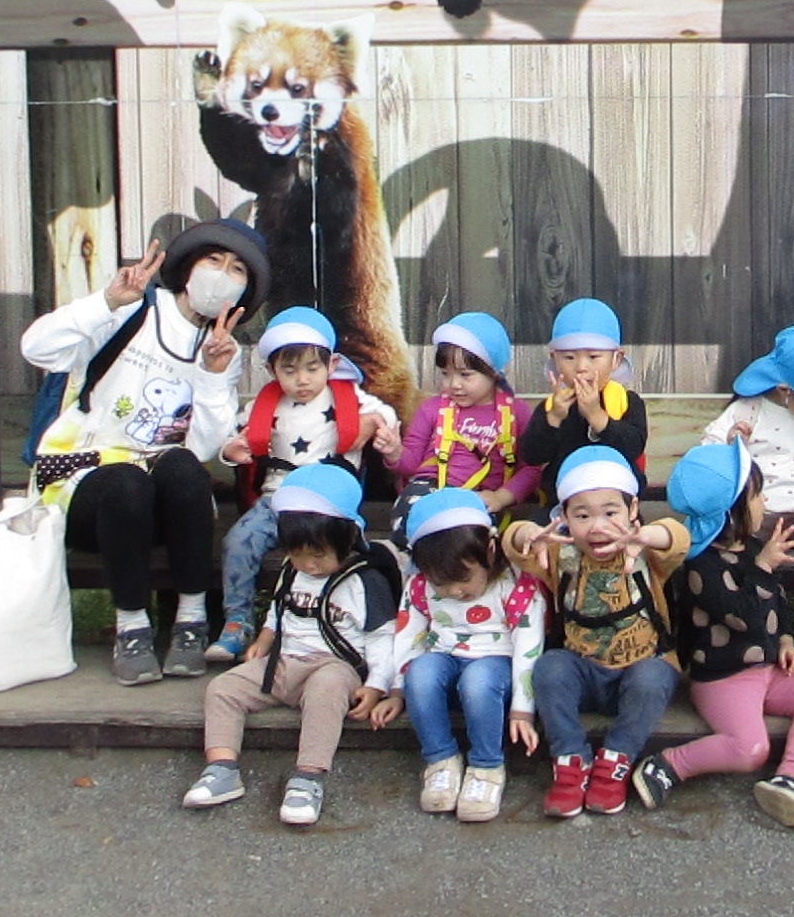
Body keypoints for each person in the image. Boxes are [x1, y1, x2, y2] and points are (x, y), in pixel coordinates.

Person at [20, 219, 265, 685]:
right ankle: (130, 627)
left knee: (181, 467)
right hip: (87, 489)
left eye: (236, 270)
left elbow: (203, 447)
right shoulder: (132, 310)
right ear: (188, 265)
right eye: (213, 260)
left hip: (163, 505)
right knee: (125, 482)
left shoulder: (221, 349)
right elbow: (37, 348)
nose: (220, 274)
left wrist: (214, 374)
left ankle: (191, 621)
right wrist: (106, 302)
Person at [627, 440, 794, 829]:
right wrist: (761, 568)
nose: (764, 502)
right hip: (724, 678)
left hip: (767, 670)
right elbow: (745, 617)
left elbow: (775, 605)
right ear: (732, 510)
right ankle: (668, 765)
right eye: (756, 496)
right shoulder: (698, 565)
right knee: (749, 749)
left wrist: (786, 640)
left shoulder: (751, 546)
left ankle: (790, 779)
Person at [182, 464, 397, 827]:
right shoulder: (292, 571)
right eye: (299, 555)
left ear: (346, 539)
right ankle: (222, 768)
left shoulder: (364, 581)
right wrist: (265, 640)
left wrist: (376, 686)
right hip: (283, 663)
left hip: (333, 667)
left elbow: (382, 638)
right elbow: (280, 611)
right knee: (222, 688)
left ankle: (308, 777)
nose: (309, 565)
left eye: (319, 555)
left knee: (327, 692)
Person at [209, 308, 402, 664]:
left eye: (313, 368)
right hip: (277, 502)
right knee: (237, 541)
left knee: (353, 550)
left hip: (330, 503)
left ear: (332, 365)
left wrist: (374, 425)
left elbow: (387, 415)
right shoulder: (261, 407)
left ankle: (348, 621)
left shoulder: (352, 398)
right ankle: (237, 620)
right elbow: (231, 439)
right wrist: (230, 451)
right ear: (271, 371)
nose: (302, 379)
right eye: (289, 369)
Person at [506, 445, 687, 818]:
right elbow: (512, 545)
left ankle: (615, 761)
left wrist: (649, 537)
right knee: (550, 667)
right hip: (583, 668)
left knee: (653, 677)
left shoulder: (645, 553)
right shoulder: (560, 554)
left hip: (640, 667)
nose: (598, 526)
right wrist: (527, 532)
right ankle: (570, 762)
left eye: (611, 512)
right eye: (582, 515)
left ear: (633, 510)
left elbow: (677, 538)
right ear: (564, 518)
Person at [366, 487, 545, 823]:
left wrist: (523, 709)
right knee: (422, 674)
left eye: (462, 579)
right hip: (444, 653)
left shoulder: (516, 584)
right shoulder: (420, 586)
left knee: (478, 682)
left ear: (489, 551)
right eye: (441, 584)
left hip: (496, 661)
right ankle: (440, 759)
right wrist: (397, 688)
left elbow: (528, 645)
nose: (454, 592)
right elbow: (408, 635)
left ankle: (487, 767)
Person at [700, 322, 794, 558]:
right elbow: (708, 450)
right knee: (729, 529)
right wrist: (731, 444)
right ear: (785, 390)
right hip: (761, 513)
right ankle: (743, 582)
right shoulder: (749, 410)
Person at [392, 313, 537, 526]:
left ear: (494, 373)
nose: (454, 384)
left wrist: (501, 497)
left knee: (469, 533)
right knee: (412, 514)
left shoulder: (517, 413)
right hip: (431, 489)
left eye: (465, 375)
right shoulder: (431, 409)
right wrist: (394, 451)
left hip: (482, 497)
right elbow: (410, 465)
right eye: (445, 374)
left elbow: (531, 468)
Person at [517, 297, 650, 489]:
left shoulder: (626, 402)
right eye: (569, 357)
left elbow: (633, 448)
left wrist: (596, 415)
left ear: (616, 359)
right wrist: (553, 418)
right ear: (554, 359)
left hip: (616, 502)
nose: (581, 367)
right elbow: (532, 456)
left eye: (593, 357)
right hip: (564, 503)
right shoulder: (551, 407)